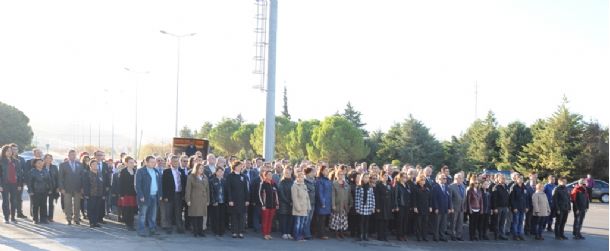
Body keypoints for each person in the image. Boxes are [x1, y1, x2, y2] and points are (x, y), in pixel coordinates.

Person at [135, 156, 163, 237]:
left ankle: (152, 229)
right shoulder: (140, 171)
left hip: (155, 196)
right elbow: (137, 185)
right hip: (145, 197)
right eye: (151, 162)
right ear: (146, 162)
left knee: (153, 214)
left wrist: (160, 194)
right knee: (143, 214)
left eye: (154, 162)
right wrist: (141, 195)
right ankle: (141, 230)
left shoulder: (156, 171)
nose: (153, 163)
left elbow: (160, 184)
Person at [161, 155, 187, 234]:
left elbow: (184, 183)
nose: (176, 163)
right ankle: (169, 227)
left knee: (178, 212)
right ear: (170, 162)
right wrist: (165, 196)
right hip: (169, 195)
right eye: (174, 161)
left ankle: (179, 227)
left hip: (179, 194)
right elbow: (163, 185)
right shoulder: (166, 172)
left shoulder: (181, 171)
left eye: (177, 161)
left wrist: (184, 195)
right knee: (168, 212)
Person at [58, 150, 84, 225]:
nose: (73, 156)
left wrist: (82, 187)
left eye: (74, 155)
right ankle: (68, 219)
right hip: (67, 188)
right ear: (68, 156)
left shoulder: (80, 164)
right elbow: (60, 178)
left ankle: (76, 219)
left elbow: (82, 177)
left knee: (77, 204)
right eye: (71, 155)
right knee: (67, 204)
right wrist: (61, 188)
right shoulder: (63, 165)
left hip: (77, 188)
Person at [0, 144, 24, 223]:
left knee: (13, 200)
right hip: (4, 184)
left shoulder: (16, 161)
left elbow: (19, 174)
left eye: (10, 151)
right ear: (4, 152)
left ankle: (13, 217)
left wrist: (20, 184)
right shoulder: (1, 161)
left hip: (14, 184)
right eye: (7, 151)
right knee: (5, 201)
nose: (10, 152)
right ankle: (6, 217)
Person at [226, 160, 249, 239]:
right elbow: (228, 189)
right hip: (233, 200)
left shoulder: (243, 176)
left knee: (242, 216)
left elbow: (246, 189)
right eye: (239, 166)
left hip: (242, 200)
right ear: (235, 167)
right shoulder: (230, 176)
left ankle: (241, 231)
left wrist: (247, 200)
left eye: (241, 166)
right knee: (234, 216)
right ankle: (234, 232)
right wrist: (230, 200)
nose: (240, 167)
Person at [185, 163, 209, 237]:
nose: (201, 170)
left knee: (201, 216)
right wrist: (188, 200)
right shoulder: (191, 177)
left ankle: (200, 231)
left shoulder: (205, 177)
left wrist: (208, 200)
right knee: (195, 215)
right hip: (194, 198)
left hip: (203, 199)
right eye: (200, 168)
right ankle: (195, 231)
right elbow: (188, 189)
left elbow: (207, 190)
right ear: (196, 168)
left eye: (202, 168)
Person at [28, 158, 52, 224]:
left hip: (44, 191)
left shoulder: (45, 171)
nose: (40, 164)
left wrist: (50, 189)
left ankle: (43, 219)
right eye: (38, 163)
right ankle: (35, 219)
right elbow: (29, 182)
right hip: (35, 191)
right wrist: (30, 191)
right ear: (35, 164)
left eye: (41, 162)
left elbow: (49, 181)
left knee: (43, 205)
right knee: (35, 205)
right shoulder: (32, 171)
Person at [331, 165, 352, 239]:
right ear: (337, 175)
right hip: (337, 204)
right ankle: (336, 233)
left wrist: (350, 203)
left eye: (342, 174)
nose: (341, 175)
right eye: (340, 174)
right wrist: (333, 204)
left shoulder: (346, 184)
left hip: (344, 205)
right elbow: (333, 195)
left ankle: (342, 232)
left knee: (343, 219)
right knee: (337, 220)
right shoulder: (334, 183)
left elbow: (349, 195)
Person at [83, 159, 105, 228]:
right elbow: (85, 185)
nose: (95, 166)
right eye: (94, 164)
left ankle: (96, 222)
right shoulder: (87, 174)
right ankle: (91, 222)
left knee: (97, 209)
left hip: (99, 194)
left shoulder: (100, 173)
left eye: (96, 164)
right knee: (91, 209)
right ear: (90, 166)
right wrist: (86, 194)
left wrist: (103, 194)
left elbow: (102, 184)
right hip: (91, 194)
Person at [431, 173, 452, 242]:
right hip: (438, 208)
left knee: (443, 223)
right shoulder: (435, 187)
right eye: (443, 178)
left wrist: (449, 207)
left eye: (445, 178)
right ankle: (436, 236)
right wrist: (436, 208)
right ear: (439, 179)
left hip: (445, 208)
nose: (445, 180)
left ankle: (442, 236)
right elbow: (434, 199)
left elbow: (449, 198)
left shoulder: (447, 187)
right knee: (437, 223)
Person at [118, 156, 137, 231]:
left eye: (133, 162)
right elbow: (120, 184)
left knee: (132, 208)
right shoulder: (123, 171)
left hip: (134, 193)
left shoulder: (135, 171)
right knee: (126, 209)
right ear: (126, 163)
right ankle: (128, 223)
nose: (132, 164)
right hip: (125, 194)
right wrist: (121, 195)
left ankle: (131, 222)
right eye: (130, 162)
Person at [259, 170, 279, 240]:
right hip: (266, 205)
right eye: (269, 174)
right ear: (265, 175)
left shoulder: (274, 184)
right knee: (265, 220)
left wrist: (277, 203)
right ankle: (265, 234)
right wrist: (263, 204)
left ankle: (268, 233)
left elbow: (277, 194)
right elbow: (260, 195)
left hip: (273, 205)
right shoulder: (263, 184)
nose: (270, 176)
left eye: (271, 174)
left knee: (270, 220)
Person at [10, 144, 28, 219]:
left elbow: (25, 171)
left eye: (16, 149)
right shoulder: (7, 159)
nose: (14, 151)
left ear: (18, 150)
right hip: (9, 182)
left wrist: (23, 181)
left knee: (19, 198)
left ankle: (19, 213)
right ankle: (11, 213)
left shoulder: (22, 159)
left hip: (19, 182)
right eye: (13, 149)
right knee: (11, 198)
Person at [374, 170, 393, 241]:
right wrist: (377, 207)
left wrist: (392, 206)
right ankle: (380, 236)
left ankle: (385, 236)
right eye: (384, 176)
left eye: (387, 176)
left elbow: (391, 195)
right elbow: (377, 196)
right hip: (381, 205)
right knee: (381, 221)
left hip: (388, 205)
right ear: (381, 176)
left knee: (386, 221)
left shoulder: (389, 185)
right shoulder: (378, 185)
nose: (386, 177)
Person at [355, 173, 375, 241]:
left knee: (366, 222)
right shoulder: (359, 187)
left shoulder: (370, 187)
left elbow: (372, 198)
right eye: (365, 177)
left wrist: (373, 207)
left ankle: (365, 235)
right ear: (362, 178)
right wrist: (357, 208)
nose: (366, 179)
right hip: (361, 207)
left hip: (368, 207)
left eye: (367, 178)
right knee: (361, 222)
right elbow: (357, 198)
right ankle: (360, 235)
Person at [292, 171, 311, 242]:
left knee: (302, 223)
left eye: (303, 177)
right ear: (297, 178)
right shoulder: (294, 186)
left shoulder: (304, 186)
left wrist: (308, 207)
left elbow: (307, 197)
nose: (302, 178)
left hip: (304, 208)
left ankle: (300, 236)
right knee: (297, 223)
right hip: (298, 208)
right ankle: (296, 236)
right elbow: (294, 198)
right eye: (301, 177)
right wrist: (298, 207)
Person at [315, 165, 332, 240]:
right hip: (322, 202)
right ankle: (321, 234)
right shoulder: (320, 180)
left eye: (327, 170)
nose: (327, 171)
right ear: (321, 171)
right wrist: (322, 202)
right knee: (321, 219)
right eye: (325, 170)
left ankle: (321, 233)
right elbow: (320, 192)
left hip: (327, 202)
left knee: (324, 219)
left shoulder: (328, 180)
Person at [394, 172, 412, 241]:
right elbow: (396, 196)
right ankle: (399, 235)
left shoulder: (407, 185)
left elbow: (409, 194)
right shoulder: (397, 185)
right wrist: (396, 206)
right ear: (400, 177)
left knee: (405, 221)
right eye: (404, 177)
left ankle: (404, 234)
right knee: (400, 221)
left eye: (406, 177)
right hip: (400, 205)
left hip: (407, 206)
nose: (405, 178)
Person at [448, 173, 466, 241]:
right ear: (456, 178)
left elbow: (464, 197)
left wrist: (464, 206)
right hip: (454, 207)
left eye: (462, 178)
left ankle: (459, 235)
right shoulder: (451, 186)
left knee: (460, 222)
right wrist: (451, 207)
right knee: (453, 222)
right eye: (461, 178)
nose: (462, 179)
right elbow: (450, 198)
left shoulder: (463, 186)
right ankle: (453, 235)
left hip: (461, 207)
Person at [509, 175, 528, 241]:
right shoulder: (514, 187)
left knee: (521, 222)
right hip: (516, 208)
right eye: (519, 179)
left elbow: (526, 198)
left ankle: (520, 234)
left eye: (522, 179)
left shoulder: (524, 187)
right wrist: (514, 207)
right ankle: (515, 235)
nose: (521, 180)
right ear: (516, 180)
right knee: (515, 222)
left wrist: (526, 206)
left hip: (523, 208)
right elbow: (512, 199)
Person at [414, 174, 432, 241]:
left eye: (424, 180)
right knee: (419, 223)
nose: (423, 181)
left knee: (425, 223)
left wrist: (430, 206)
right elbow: (414, 198)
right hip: (419, 208)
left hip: (426, 207)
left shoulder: (427, 188)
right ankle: (418, 236)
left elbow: (429, 198)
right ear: (418, 180)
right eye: (422, 180)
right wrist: (415, 207)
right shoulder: (416, 188)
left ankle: (424, 236)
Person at [210, 167, 227, 237]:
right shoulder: (212, 181)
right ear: (216, 172)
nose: (220, 173)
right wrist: (214, 201)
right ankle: (216, 230)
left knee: (222, 217)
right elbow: (211, 192)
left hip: (223, 202)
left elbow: (227, 192)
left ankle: (222, 231)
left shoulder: (225, 181)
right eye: (219, 171)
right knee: (216, 217)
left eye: (221, 171)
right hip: (216, 202)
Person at [278, 167, 294, 240]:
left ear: (291, 172)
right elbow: (281, 194)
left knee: (290, 219)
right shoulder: (282, 182)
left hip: (292, 204)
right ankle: (284, 233)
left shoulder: (293, 181)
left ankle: (289, 233)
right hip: (284, 204)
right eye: (286, 172)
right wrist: (288, 202)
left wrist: (293, 201)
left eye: (288, 172)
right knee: (284, 219)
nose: (287, 174)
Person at [42, 154, 59, 223]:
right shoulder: (41, 167)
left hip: (53, 188)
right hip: (43, 188)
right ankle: (44, 217)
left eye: (50, 158)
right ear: (44, 159)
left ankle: (50, 217)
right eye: (47, 158)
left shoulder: (54, 167)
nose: (48, 160)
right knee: (43, 203)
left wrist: (58, 187)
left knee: (51, 203)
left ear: (52, 160)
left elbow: (57, 178)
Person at [466, 177, 483, 241]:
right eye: (476, 183)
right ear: (472, 183)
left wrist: (481, 209)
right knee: (471, 224)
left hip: (478, 209)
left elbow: (481, 201)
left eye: (478, 183)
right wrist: (470, 209)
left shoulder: (479, 191)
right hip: (472, 209)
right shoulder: (470, 190)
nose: (477, 184)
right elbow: (468, 201)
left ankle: (475, 235)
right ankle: (471, 236)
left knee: (476, 223)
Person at [303, 166, 317, 240]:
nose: (314, 173)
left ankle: (307, 233)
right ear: (308, 173)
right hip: (306, 203)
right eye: (312, 172)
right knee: (306, 219)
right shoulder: (304, 181)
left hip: (313, 202)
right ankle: (306, 234)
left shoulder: (314, 180)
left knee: (310, 219)